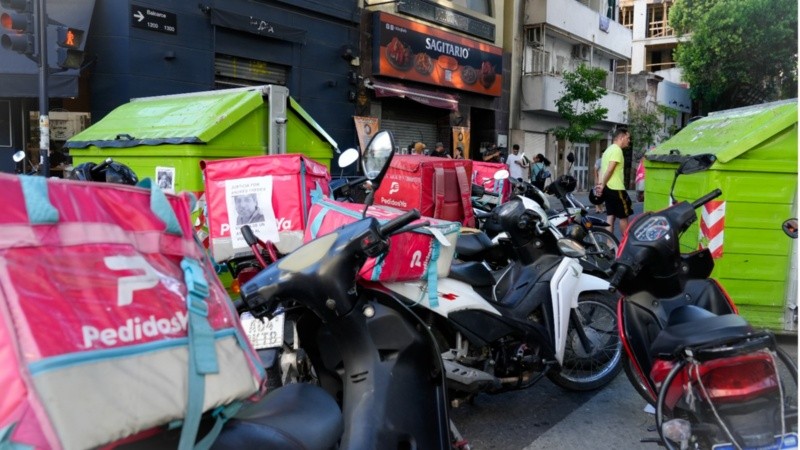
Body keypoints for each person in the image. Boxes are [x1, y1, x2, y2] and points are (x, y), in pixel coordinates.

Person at [596, 128, 633, 235]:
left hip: (608, 188)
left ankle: (610, 245)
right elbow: (610, 169)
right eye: (628, 138)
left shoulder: (608, 150)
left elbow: (602, 170)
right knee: (623, 217)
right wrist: (601, 185)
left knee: (610, 216)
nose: (629, 140)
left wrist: (600, 185)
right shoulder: (617, 150)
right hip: (616, 188)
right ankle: (625, 245)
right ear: (621, 137)